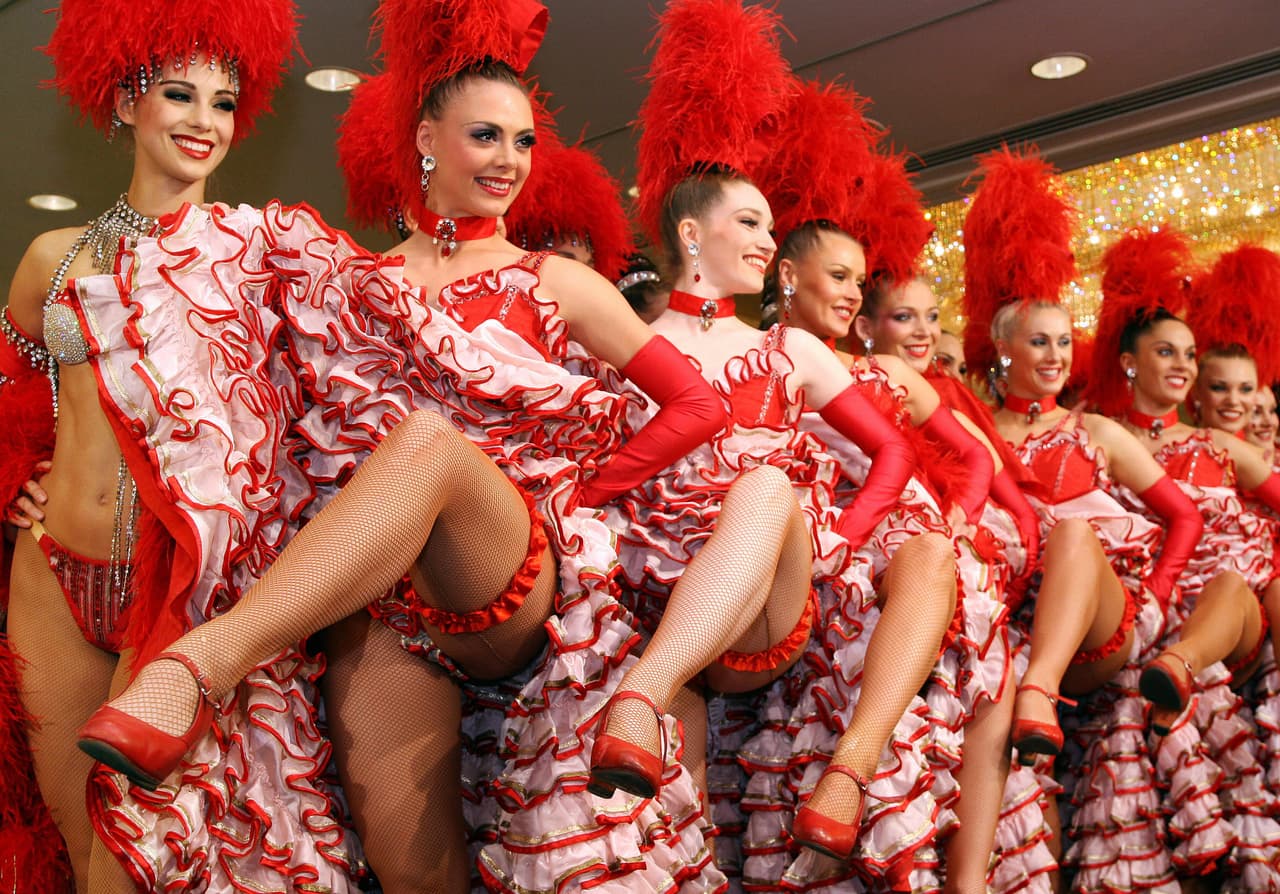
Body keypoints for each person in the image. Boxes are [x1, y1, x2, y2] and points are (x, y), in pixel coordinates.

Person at [69, 1, 735, 889]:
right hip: (385, 600)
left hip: (512, 557)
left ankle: (200, 669)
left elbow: (696, 405)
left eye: (524, 142)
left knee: (429, 442)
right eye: (486, 136)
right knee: (404, 862)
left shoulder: (556, 279)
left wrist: (579, 487)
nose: (508, 161)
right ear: (427, 138)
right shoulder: (360, 281)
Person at [0, 2, 356, 890]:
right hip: (53, 574)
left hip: (177, 593)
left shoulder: (247, 257)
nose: (205, 120)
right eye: (179, 94)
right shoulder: (54, 258)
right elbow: (11, 388)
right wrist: (14, 477)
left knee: (133, 855)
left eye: (224, 103)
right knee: (71, 856)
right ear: (125, 102)